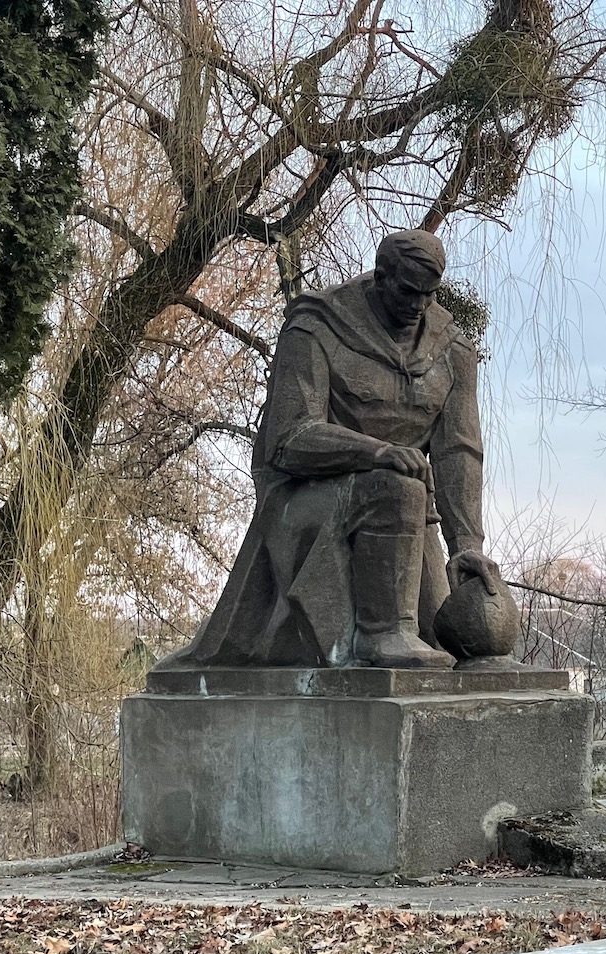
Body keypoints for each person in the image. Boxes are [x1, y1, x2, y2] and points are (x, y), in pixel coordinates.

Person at [170, 229, 503, 669]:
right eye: (407, 290)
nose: (419, 305)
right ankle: (383, 632)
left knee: (458, 642)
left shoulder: (452, 349)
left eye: (430, 294)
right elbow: (289, 438)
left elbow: (458, 450)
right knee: (397, 488)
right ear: (380, 276)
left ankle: (416, 629)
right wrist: (376, 452)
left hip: (406, 511)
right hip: (307, 501)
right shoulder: (317, 325)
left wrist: (467, 544)